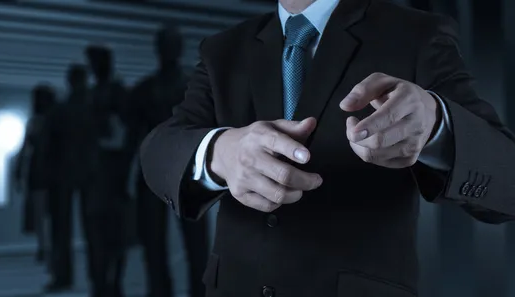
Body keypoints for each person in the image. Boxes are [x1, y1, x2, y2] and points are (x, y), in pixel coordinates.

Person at [139, 0, 515, 296]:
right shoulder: (223, 50)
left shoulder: (417, 34)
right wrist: (220, 152)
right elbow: (159, 150)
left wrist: (436, 125)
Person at [130, 26, 208, 297]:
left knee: (196, 246)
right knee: (153, 245)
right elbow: (133, 138)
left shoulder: (194, 84)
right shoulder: (142, 90)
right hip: (151, 173)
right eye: (164, 44)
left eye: (172, 43)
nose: (168, 50)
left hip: (189, 173)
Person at [40, 64, 98, 293]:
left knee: (63, 229)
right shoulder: (87, 107)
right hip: (83, 173)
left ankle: (65, 276)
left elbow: (47, 144)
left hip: (67, 174)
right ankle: (93, 276)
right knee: (89, 229)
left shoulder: (62, 109)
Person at [85, 46, 130, 297]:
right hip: (97, 177)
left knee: (113, 236)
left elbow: (125, 135)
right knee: (99, 236)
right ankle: (103, 285)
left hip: (112, 177)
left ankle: (112, 285)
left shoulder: (116, 94)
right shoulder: (97, 94)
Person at [14, 84, 57, 264]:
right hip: (46, 171)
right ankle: (46, 247)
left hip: (41, 171)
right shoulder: (47, 121)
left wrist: (18, 171)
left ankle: (45, 248)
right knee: (46, 213)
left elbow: (25, 149)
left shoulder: (37, 122)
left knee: (42, 213)